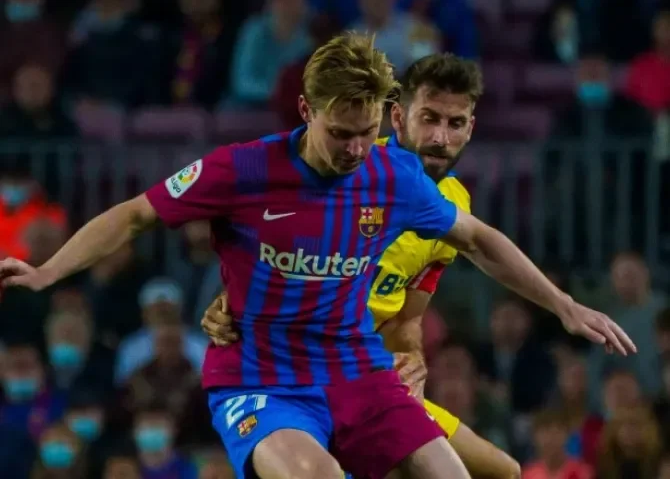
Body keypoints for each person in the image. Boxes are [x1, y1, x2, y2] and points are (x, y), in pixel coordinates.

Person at [0, 33, 635, 479]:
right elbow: (135, 214)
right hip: (262, 376)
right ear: (307, 110)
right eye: (340, 133)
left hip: (356, 370)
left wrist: (563, 305)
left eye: (366, 133)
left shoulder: (396, 178)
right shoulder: (244, 170)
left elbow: (480, 240)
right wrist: (51, 269)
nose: (356, 149)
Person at [202, 53, 522, 478]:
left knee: (503, 471)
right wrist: (229, 301)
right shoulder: (354, 169)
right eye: (428, 119)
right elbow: (276, 254)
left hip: (373, 380)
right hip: (305, 374)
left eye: (454, 123)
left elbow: (407, 318)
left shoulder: (454, 206)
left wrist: (412, 356)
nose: (440, 137)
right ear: (398, 117)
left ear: (470, 128)